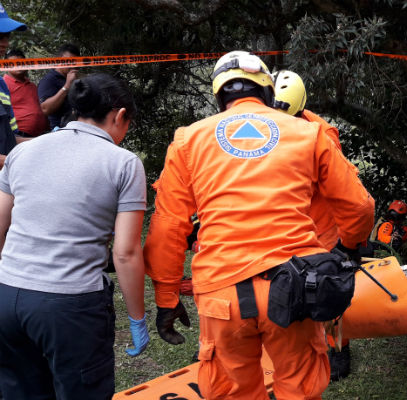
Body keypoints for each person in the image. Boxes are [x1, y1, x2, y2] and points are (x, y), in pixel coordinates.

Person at [144, 50, 374, 399]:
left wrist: (166, 297)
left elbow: (168, 226)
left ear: (220, 96)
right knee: (299, 388)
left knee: (232, 391)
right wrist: (350, 247)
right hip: (294, 285)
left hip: (222, 293)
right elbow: (359, 205)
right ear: (267, 91)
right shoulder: (308, 133)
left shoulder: (188, 140)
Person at [0, 73, 149, 399]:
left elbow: (0, 228)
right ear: (120, 116)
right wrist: (138, 318)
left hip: (8, 298)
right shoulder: (124, 163)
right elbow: (125, 253)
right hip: (70, 307)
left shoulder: (22, 153)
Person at [273, 69, 354, 381]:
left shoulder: (323, 136)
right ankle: (295, 340)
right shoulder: (264, 125)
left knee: (326, 290)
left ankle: (339, 348)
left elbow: (345, 192)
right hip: (285, 224)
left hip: (320, 226)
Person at [0, 4, 26, 168]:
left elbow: (11, 139)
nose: (5, 43)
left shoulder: (2, 84)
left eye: (7, 36)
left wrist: (49, 141)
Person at [3, 49, 49, 137]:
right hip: (18, 137)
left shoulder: (32, 86)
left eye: (21, 62)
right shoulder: (3, 84)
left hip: (39, 136)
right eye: (13, 63)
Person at [38, 43, 80, 130]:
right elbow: (45, 109)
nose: (72, 65)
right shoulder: (49, 80)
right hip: (58, 130)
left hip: (75, 128)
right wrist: (66, 87)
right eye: (68, 61)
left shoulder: (74, 78)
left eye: (75, 62)